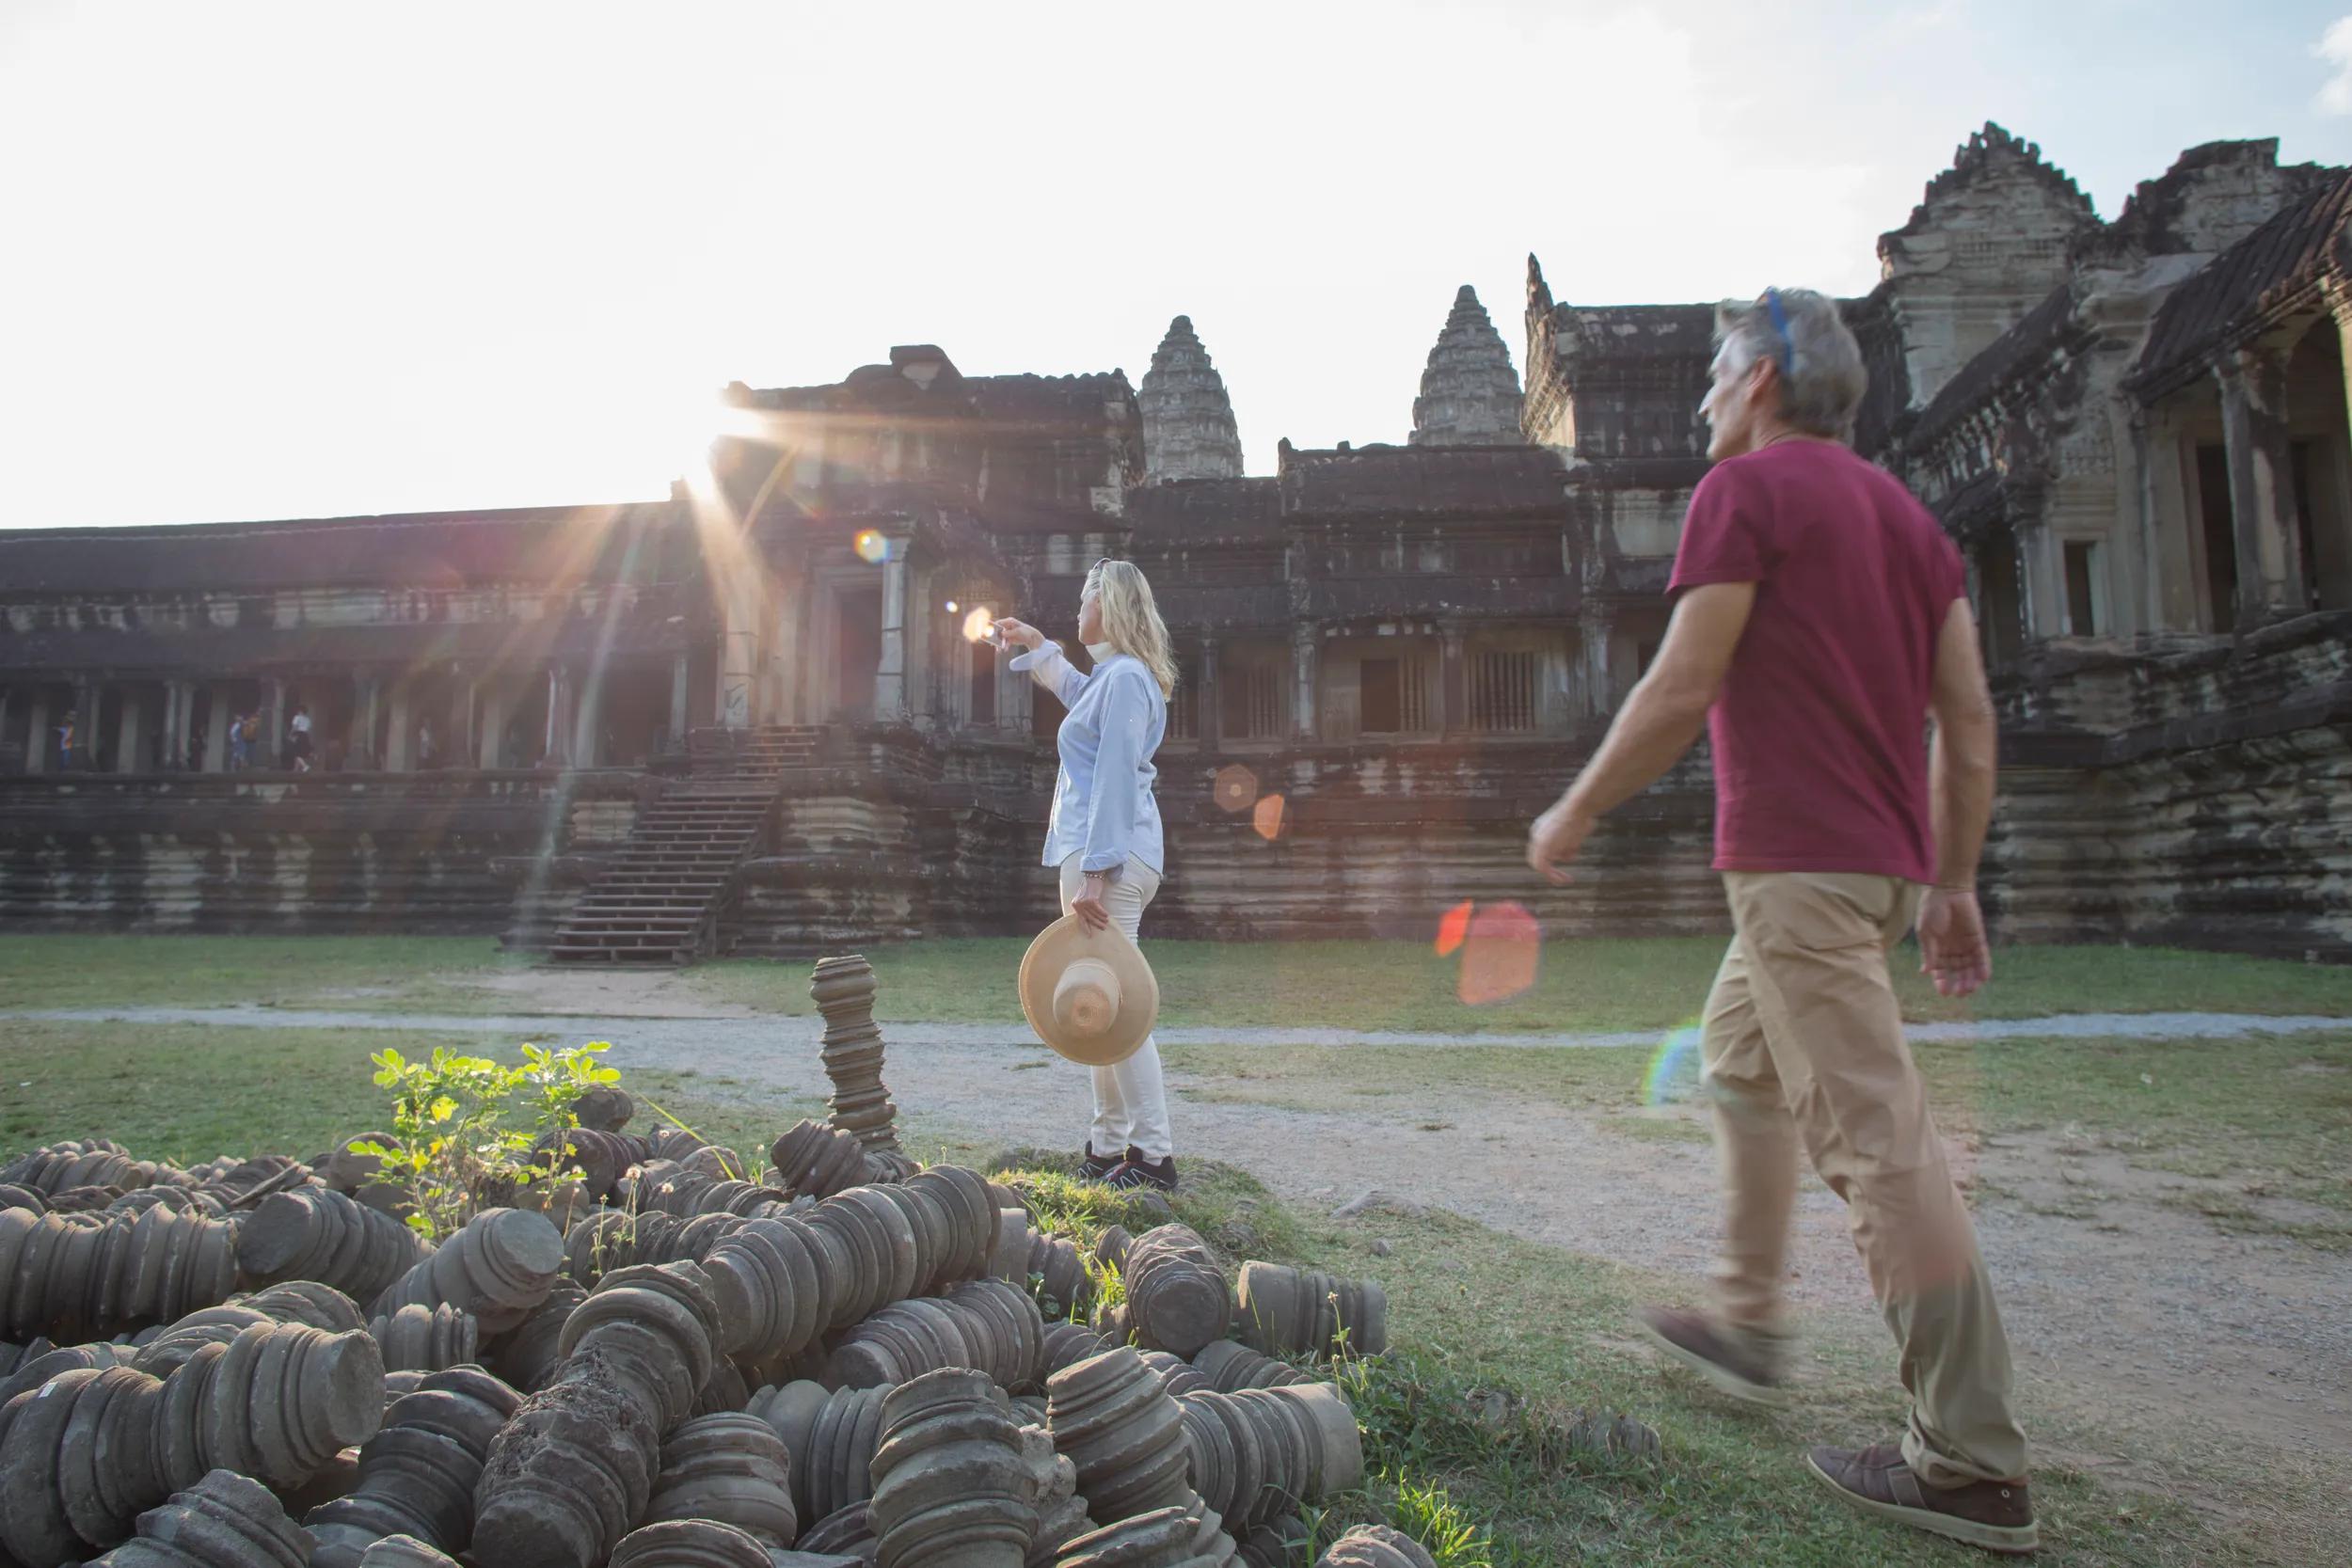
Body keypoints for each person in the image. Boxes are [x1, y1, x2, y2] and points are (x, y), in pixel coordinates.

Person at [1524, 288, 2032, 1556]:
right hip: (1878, 868)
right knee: (1740, 1058)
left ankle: (1970, 1458)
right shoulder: (1912, 524)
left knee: (1881, 1140)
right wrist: (1954, 880)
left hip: (1798, 867)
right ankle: (1752, 1315)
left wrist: (1575, 807)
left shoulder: (1743, 494)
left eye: (1713, 375)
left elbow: (1684, 678)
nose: (1700, 397)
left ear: (1758, 385)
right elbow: (1966, 721)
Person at [992, 560, 1180, 1192]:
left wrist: (1096, 874)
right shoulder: (1113, 680)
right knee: (1094, 999)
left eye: (1085, 600)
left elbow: (1118, 774)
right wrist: (1035, 644)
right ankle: (1107, 1147)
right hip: (1106, 853)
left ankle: (1152, 1157)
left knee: (1116, 1003)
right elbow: (1077, 693)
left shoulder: (1125, 679)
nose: (1077, 611)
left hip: (1110, 857)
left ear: (1112, 607)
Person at [289, 705, 314, 771]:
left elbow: (295, 727)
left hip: (298, 734)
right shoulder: (308, 719)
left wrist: (291, 734)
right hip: (305, 735)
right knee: (301, 752)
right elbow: (309, 730)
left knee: (296, 752)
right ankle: (296, 769)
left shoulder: (297, 717)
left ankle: (305, 766)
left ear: (300, 711)